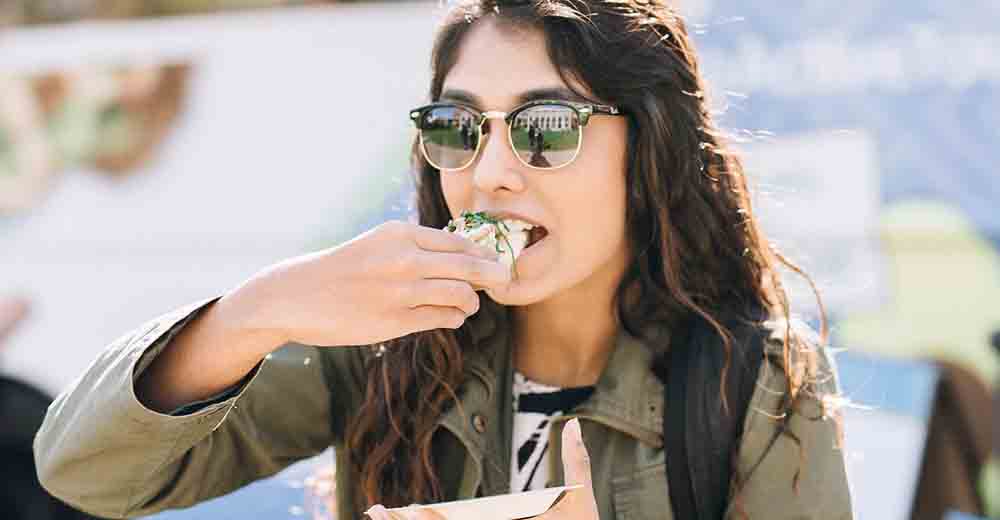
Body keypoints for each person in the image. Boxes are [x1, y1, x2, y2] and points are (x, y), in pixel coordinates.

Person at [33, 1, 853, 519]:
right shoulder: (378, 347)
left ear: (648, 152)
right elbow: (86, 473)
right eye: (458, 128)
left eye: (545, 128)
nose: (490, 172)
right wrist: (258, 310)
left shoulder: (760, 383)